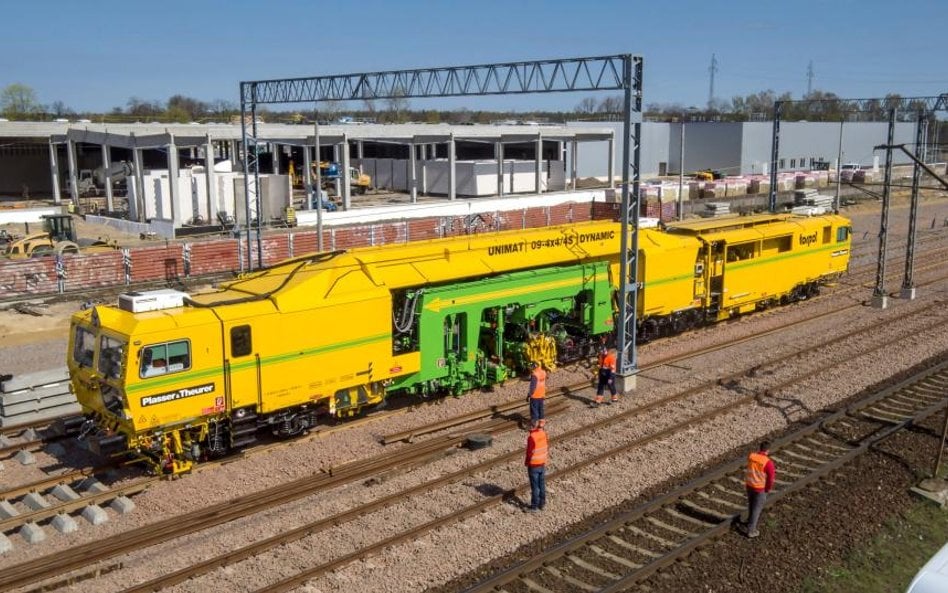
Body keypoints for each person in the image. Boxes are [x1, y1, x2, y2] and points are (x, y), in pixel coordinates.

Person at [741, 440, 776, 538]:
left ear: (760, 448)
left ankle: (749, 521)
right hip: (760, 488)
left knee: (751, 505)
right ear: (768, 451)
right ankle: (751, 531)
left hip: (749, 485)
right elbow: (770, 479)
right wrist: (767, 489)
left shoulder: (751, 456)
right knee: (757, 509)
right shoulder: (768, 463)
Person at [524, 419, 548, 512]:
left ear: (531, 426)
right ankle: (542, 503)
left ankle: (534, 506)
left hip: (534, 465)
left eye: (527, 426)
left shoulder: (531, 437)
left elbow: (529, 453)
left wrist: (527, 463)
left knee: (535, 487)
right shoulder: (542, 433)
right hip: (542, 463)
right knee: (541, 484)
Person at [526, 361, 547, 426]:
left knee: (534, 410)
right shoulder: (543, 372)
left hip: (535, 395)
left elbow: (533, 387)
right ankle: (542, 422)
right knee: (541, 408)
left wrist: (529, 395)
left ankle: (534, 422)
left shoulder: (534, 375)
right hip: (542, 394)